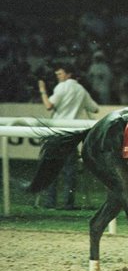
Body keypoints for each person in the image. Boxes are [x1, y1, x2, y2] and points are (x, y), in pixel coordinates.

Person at [38, 64, 99, 209]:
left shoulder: (61, 87)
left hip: (57, 133)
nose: (58, 77)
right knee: (69, 170)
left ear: (68, 74)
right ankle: (68, 203)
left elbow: (48, 105)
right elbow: (95, 108)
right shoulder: (81, 90)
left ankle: (50, 202)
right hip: (72, 135)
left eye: (59, 74)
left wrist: (42, 91)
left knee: (52, 167)